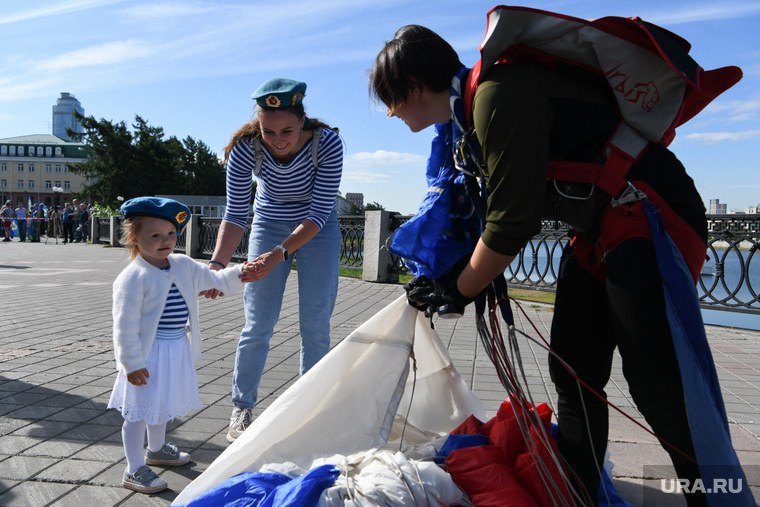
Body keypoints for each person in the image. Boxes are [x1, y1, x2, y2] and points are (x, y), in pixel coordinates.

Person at [370, 25, 714, 506]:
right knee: (572, 368)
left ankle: (718, 497)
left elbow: (512, 223)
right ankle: (576, 497)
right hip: (603, 226)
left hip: (650, 214)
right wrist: (456, 278)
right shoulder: (470, 112)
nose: (391, 113)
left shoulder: (495, 97)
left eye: (391, 100)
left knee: (655, 384)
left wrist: (461, 289)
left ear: (410, 88)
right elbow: (499, 213)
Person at [204, 77, 343, 443]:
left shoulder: (328, 143)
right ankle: (242, 407)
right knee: (257, 323)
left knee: (315, 326)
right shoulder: (244, 149)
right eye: (269, 132)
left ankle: (308, 409)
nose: (279, 140)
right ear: (258, 126)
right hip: (267, 221)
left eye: (288, 131)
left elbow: (317, 214)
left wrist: (280, 254)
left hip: (318, 227)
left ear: (303, 121)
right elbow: (236, 214)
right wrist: (217, 266)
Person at [108, 196, 257, 494]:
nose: (166, 241)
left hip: (176, 349)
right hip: (147, 355)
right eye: (155, 235)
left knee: (161, 404)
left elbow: (212, 279)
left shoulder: (181, 264)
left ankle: (158, 448)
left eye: (171, 234)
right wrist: (131, 363)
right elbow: (123, 326)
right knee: (137, 412)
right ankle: (134, 468)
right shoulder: (132, 277)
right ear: (134, 238)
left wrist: (242, 273)